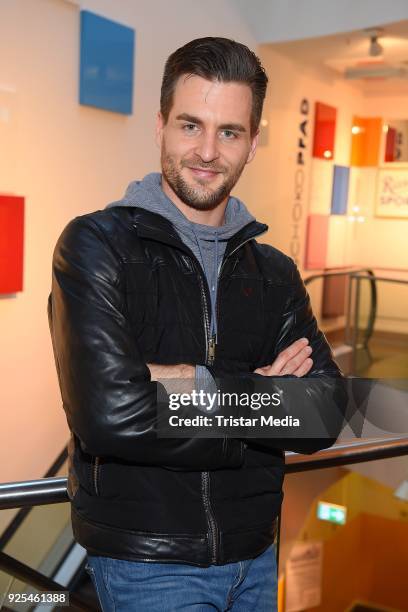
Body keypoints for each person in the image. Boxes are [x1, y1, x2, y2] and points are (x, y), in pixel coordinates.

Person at [48, 37, 344, 612]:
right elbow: (111, 415)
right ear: (159, 125)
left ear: (253, 142)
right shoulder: (95, 247)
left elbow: (326, 411)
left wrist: (190, 382)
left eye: (229, 132)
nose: (208, 151)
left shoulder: (275, 271)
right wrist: (265, 397)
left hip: (257, 556)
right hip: (148, 563)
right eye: (190, 126)